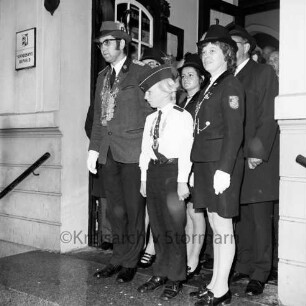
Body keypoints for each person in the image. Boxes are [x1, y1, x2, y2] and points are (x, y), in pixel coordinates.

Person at [87, 21, 152, 283]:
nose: (103, 48)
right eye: (100, 43)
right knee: (114, 210)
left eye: (107, 42)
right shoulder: (102, 77)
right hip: (109, 153)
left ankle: (131, 261)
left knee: (134, 209)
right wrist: (93, 149)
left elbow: (151, 113)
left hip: (133, 152)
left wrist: (149, 151)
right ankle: (118, 257)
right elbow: (98, 118)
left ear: (122, 44)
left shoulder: (140, 72)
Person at [189, 25, 245, 306]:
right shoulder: (211, 86)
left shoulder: (231, 84)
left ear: (227, 54)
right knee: (213, 222)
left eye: (212, 50)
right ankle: (214, 282)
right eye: (203, 51)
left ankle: (222, 289)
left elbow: (234, 132)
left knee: (223, 226)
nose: (206, 55)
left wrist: (224, 169)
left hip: (220, 164)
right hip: (205, 162)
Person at [229, 24, 279, 295]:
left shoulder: (263, 72)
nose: (228, 49)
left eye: (233, 43)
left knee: (260, 218)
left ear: (247, 46)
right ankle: (245, 264)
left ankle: (260, 272)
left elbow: (268, 114)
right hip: (234, 159)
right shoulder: (226, 77)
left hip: (258, 158)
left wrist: (257, 153)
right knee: (241, 215)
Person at [137, 64, 194, 301]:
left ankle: (176, 277)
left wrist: (182, 182)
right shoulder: (150, 118)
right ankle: (160, 272)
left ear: (165, 90)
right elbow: (144, 151)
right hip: (154, 173)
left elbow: (186, 151)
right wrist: (143, 178)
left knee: (173, 228)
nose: (146, 95)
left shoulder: (182, 116)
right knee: (158, 227)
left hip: (173, 173)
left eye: (149, 90)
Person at [178, 53, 207, 279]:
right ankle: (188, 255)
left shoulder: (202, 100)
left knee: (196, 212)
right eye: (183, 75)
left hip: (196, 164)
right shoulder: (181, 102)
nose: (186, 78)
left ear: (201, 78)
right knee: (187, 212)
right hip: (183, 163)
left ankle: (195, 258)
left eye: (191, 75)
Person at [137, 47, 166, 269]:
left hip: (163, 159)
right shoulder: (140, 91)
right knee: (142, 204)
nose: (150, 68)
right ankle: (139, 245)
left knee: (156, 207)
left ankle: (152, 248)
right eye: (147, 63)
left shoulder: (168, 91)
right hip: (138, 154)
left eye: (155, 64)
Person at [85, 102, 113, 251]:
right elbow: (90, 126)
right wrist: (101, 144)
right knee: (105, 198)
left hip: (125, 153)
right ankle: (108, 237)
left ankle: (125, 238)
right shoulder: (99, 102)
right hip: (104, 154)